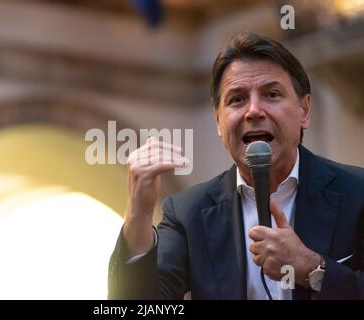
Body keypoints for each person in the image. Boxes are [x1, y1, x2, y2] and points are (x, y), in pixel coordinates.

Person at [108, 32, 364, 300]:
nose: (254, 110)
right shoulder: (187, 214)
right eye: (237, 99)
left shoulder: (357, 194)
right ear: (219, 121)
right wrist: (138, 213)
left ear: (304, 110)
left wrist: (312, 268)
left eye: (272, 94)